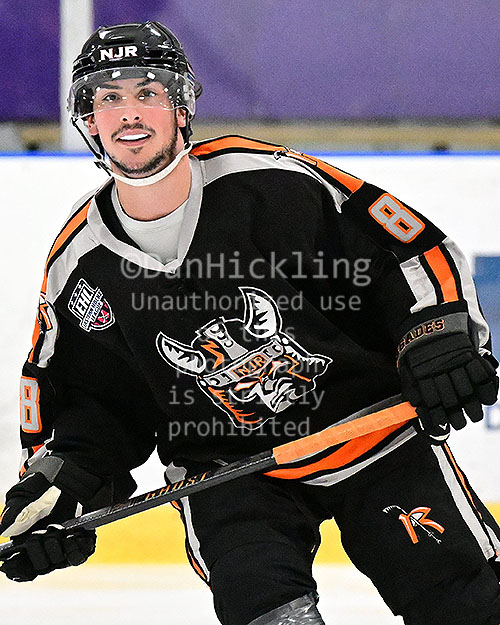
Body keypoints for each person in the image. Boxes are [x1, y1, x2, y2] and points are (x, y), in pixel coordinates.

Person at [0, 20, 499, 625]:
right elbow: (95, 402)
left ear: (181, 107)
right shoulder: (82, 267)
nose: (129, 112)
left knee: (470, 605)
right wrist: (64, 486)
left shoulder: (271, 184)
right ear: (88, 119)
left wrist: (436, 337)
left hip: (373, 437)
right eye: (109, 97)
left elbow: (404, 252)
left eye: (147, 92)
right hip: (229, 476)